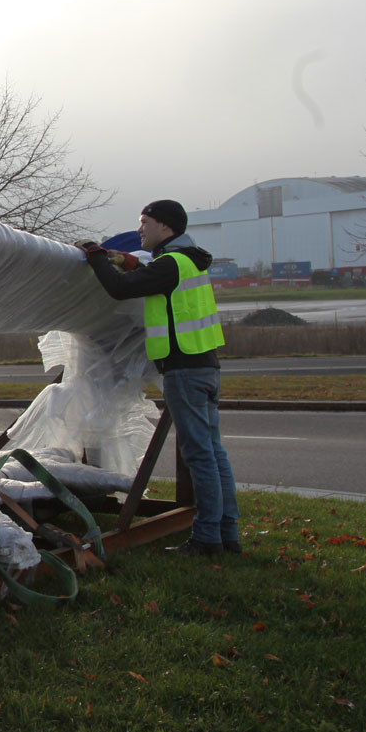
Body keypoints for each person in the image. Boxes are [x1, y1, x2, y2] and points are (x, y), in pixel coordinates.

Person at [78, 200, 240, 557]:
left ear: (165, 228)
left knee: (199, 454)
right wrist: (121, 259)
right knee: (213, 453)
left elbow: (120, 288)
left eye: (144, 223)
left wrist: (96, 257)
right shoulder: (190, 262)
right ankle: (228, 533)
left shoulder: (171, 265)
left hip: (183, 369)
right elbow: (142, 273)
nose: (139, 230)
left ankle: (208, 538)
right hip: (205, 366)